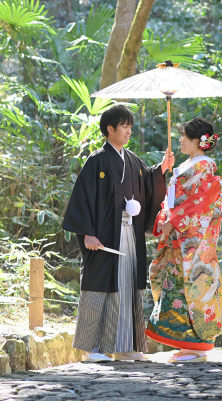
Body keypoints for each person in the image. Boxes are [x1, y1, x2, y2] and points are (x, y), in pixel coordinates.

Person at [62, 104, 173, 362]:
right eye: (124, 126)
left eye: (130, 127)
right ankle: (93, 348)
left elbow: (148, 181)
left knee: (128, 287)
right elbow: (82, 198)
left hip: (130, 233)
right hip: (103, 236)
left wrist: (161, 169)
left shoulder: (132, 160)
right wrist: (87, 232)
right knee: (98, 287)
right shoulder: (97, 160)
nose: (128, 131)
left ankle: (125, 347)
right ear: (110, 129)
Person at [145, 117, 222, 363]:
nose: (180, 140)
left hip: (191, 242)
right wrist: (165, 218)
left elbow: (199, 204)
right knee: (179, 290)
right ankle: (188, 345)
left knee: (192, 290)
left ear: (197, 140)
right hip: (179, 238)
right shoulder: (189, 165)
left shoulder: (204, 167)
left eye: (184, 136)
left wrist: (173, 221)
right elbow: (173, 201)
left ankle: (198, 348)